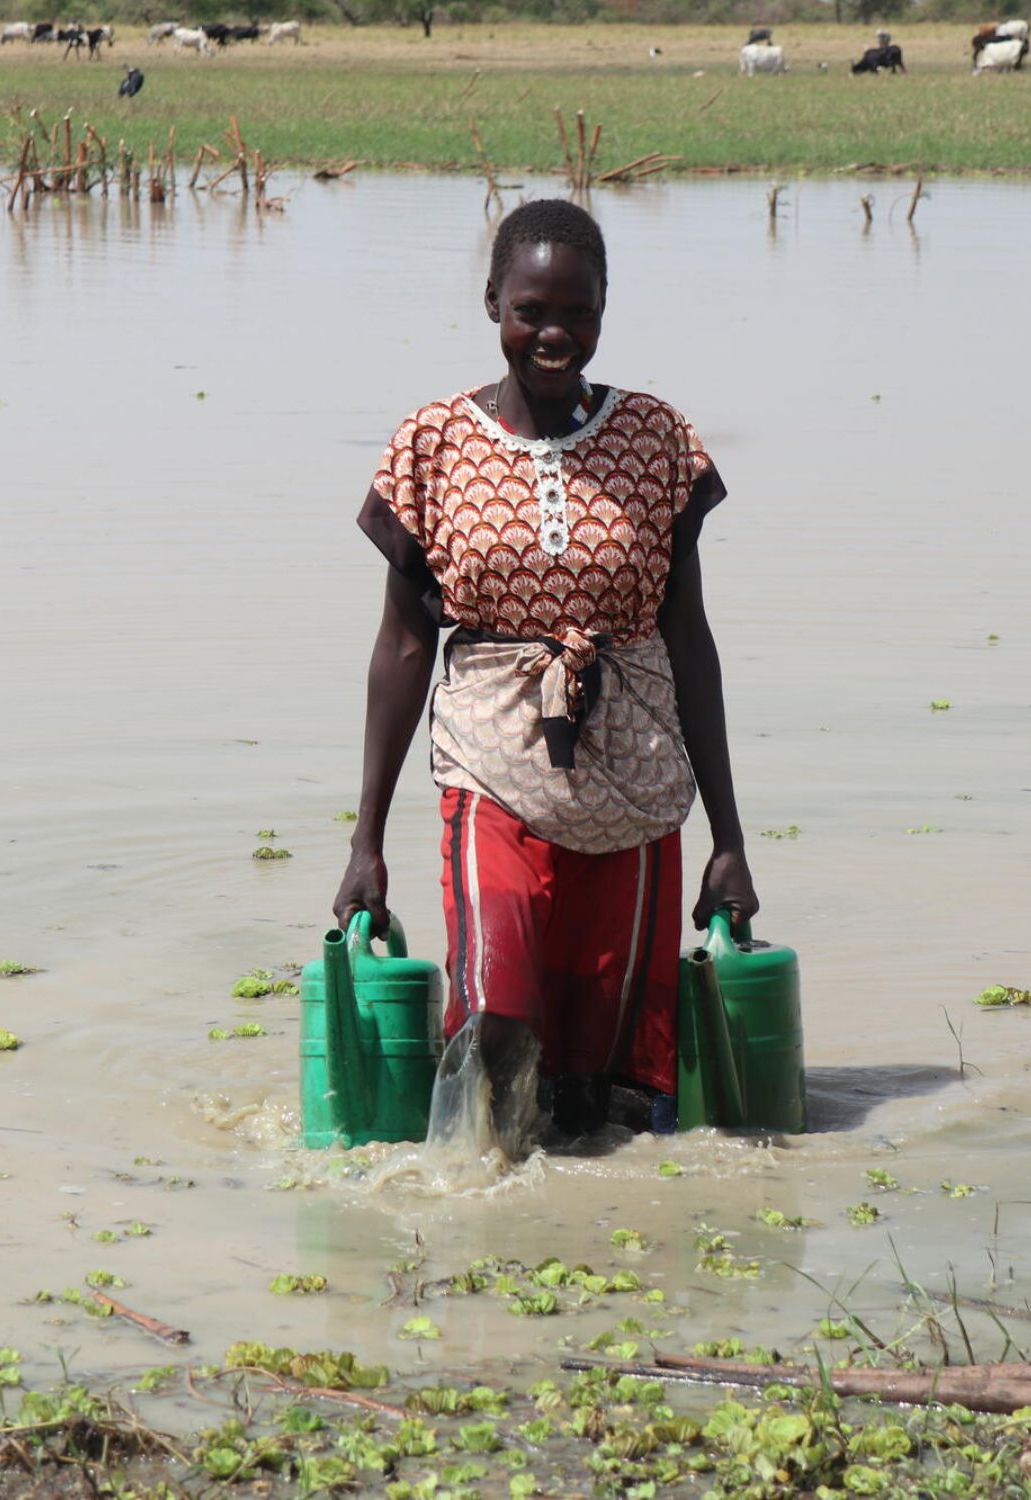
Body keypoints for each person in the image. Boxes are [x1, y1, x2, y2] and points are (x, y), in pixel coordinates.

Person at [334, 199, 756, 1150]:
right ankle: (472, 1215)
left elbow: (688, 639)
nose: (555, 334)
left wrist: (729, 838)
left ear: (606, 311)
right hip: (491, 748)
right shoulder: (430, 446)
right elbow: (402, 646)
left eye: (579, 312)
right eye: (532, 311)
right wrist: (364, 840)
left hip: (633, 765)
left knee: (599, 1072)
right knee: (497, 1012)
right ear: (492, 304)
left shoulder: (658, 441)